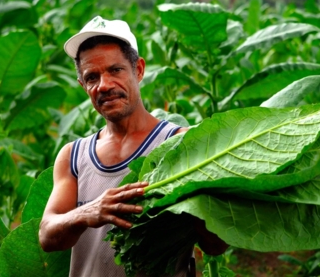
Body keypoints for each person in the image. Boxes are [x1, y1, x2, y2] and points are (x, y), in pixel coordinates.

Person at [39, 16, 228, 277]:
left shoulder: (181, 144)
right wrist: (90, 211)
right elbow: (48, 236)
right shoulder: (73, 156)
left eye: (115, 70)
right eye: (92, 77)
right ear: (83, 86)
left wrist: (193, 193)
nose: (104, 85)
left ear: (138, 70)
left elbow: (217, 245)